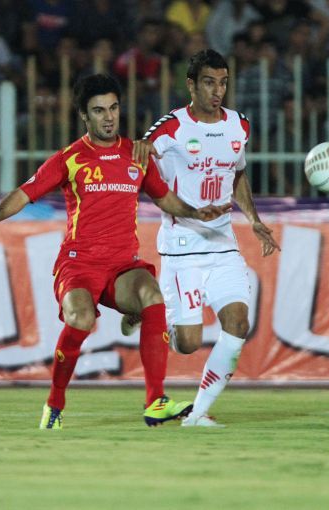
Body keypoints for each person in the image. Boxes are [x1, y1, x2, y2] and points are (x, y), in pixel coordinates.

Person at [0, 73, 231, 429]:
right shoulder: (70, 158)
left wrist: (196, 212)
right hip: (78, 265)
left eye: (113, 108)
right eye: (99, 110)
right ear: (84, 116)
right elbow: (26, 192)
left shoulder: (136, 154)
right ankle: (55, 403)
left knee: (153, 295)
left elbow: (164, 198)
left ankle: (155, 401)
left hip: (122, 267)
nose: (109, 117)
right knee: (81, 319)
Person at [122, 50, 280, 427]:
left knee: (237, 324)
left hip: (223, 245)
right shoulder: (171, 127)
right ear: (191, 85)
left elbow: (237, 174)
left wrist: (254, 219)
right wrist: (141, 155)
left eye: (223, 83)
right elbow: (139, 157)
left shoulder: (239, 126)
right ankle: (152, 312)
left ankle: (198, 413)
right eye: (209, 83)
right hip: (183, 249)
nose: (217, 91)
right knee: (188, 343)